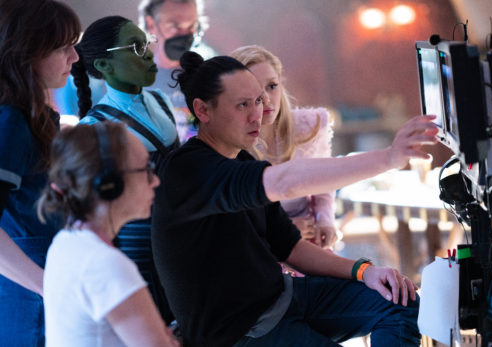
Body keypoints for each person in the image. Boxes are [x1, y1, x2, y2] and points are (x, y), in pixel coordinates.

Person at [152, 51, 438, 346]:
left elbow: (290, 247)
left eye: (259, 100)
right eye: (242, 105)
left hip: (286, 297)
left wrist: (365, 271)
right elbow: (286, 182)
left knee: (400, 299)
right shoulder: (187, 170)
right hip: (241, 334)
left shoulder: (244, 158)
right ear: (202, 110)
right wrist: (388, 158)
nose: (257, 114)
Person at [72, 15, 179, 324]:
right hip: (138, 250)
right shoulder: (93, 127)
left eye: (146, 43)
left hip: (179, 237)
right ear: (104, 66)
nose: (147, 53)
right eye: (135, 47)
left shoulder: (159, 99)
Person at [38, 122, 179, 346]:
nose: (156, 180)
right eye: (146, 169)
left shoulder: (65, 243)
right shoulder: (104, 264)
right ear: (109, 184)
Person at [0, 1, 80, 345]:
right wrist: (48, 286)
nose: (75, 57)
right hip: (30, 302)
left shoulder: (33, 119)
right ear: (27, 54)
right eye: (63, 47)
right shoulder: (10, 122)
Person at [232, 45, 337, 250]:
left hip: (308, 239)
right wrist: (282, 230)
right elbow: (232, 221)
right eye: (254, 90)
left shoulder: (310, 127)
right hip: (255, 248)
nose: (267, 99)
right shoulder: (227, 142)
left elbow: (324, 185)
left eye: (272, 86)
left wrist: (325, 221)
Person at [139, 0, 217, 142]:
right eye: (175, 26)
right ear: (151, 25)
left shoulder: (210, 78)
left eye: (191, 26)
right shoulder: (136, 81)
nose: (185, 34)